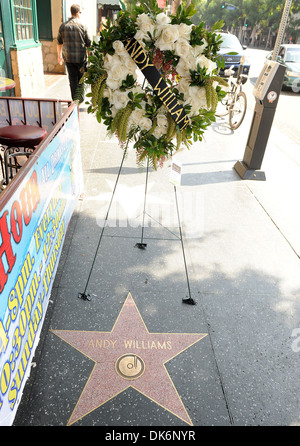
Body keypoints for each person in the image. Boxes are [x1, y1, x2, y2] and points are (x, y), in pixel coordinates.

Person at [57, 4, 92, 100]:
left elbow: (59, 43)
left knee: (72, 80)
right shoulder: (83, 25)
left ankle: (75, 101)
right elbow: (89, 44)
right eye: (80, 12)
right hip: (80, 58)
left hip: (68, 58)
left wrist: (59, 56)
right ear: (77, 13)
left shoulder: (63, 26)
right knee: (81, 79)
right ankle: (80, 99)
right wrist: (90, 58)